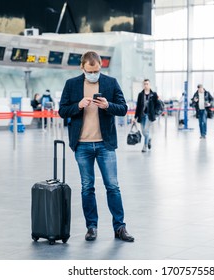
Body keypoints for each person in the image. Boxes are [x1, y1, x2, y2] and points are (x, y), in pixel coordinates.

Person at [58, 50, 134, 242]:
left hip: (105, 144)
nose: (94, 74)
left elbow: (124, 109)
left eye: (97, 70)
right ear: (82, 67)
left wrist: (108, 105)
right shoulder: (72, 84)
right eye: (90, 71)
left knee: (113, 186)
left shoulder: (110, 83)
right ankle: (91, 227)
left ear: (101, 67)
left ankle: (120, 227)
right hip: (82, 145)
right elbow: (62, 111)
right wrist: (78, 105)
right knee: (87, 187)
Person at [133, 79, 159, 152]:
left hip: (149, 116)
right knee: (143, 131)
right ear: (143, 85)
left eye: (147, 84)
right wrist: (135, 117)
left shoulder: (154, 94)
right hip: (142, 115)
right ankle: (149, 138)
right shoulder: (140, 94)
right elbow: (138, 106)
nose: (146, 85)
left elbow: (157, 104)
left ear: (149, 85)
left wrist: (155, 113)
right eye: (144, 84)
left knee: (146, 130)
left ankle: (145, 146)